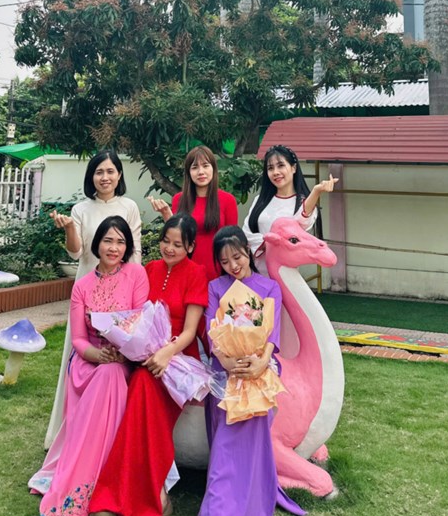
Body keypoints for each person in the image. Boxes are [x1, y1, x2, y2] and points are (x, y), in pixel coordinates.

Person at [87, 214, 209, 516]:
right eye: (166, 241)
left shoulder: (196, 273)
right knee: (140, 386)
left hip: (178, 362)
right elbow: (133, 318)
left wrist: (166, 354)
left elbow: (190, 331)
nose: (170, 248)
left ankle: (148, 496)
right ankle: (140, 493)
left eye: (178, 244)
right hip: (143, 358)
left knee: (142, 387)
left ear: (190, 247)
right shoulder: (148, 269)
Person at [29, 216, 149, 516]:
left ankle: (87, 487)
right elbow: (79, 340)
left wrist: (121, 354)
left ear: (128, 247)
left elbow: (140, 324)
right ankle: (85, 491)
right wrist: (98, 355)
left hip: (123, 361)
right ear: (97, 244)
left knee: (111, 375)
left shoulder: (136, 275)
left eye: (120, 242)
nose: (114, 248)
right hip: (88, 363)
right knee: (106, 374)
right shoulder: (82, 285)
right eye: (108, 240)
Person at [195, 226, 306, 516]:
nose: (233, 265)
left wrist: (260, 363)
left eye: (237, 257)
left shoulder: (269, 287)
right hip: (226, 373)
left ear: (248, 252)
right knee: (225, 453)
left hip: (259, 372)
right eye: (225, 261)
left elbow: (272, 334)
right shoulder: (215, 287)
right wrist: (228, 362)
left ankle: (252, 504)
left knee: (251, 444)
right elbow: (212, 331)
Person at [44, 150, 142, 448]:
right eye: (99, 172)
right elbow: (76, 252)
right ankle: (70, 430)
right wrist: (70, 229)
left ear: (119, 175)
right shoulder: (81, 209)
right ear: (91, 176)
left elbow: (134, 253)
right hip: (87, 288)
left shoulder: (129, 207)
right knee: (83, 353)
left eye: (111, 171)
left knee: (117, 359)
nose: (105, 177)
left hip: (121, 291)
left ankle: (112, 432)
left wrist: (130, 295)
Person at [242, 144, 338, 275]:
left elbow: (301, 221)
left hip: (284, 276)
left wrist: (316, 192)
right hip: (256, 274)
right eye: (270, 168)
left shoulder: (303, 205)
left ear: (293, 168)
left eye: (281, 165)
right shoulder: (260, 200)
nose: (275, 172)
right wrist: (269, 242)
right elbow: (246, 233)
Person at [148, 145, 237, 280]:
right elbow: (176, 236)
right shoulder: (179, 199)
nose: (201, 172)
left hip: (219, 271)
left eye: (205, 166)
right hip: (186, 271)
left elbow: (233, 241)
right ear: (188, 172)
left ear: (213, 168)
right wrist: (166, 214)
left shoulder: (228, 200)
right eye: (195, 167)